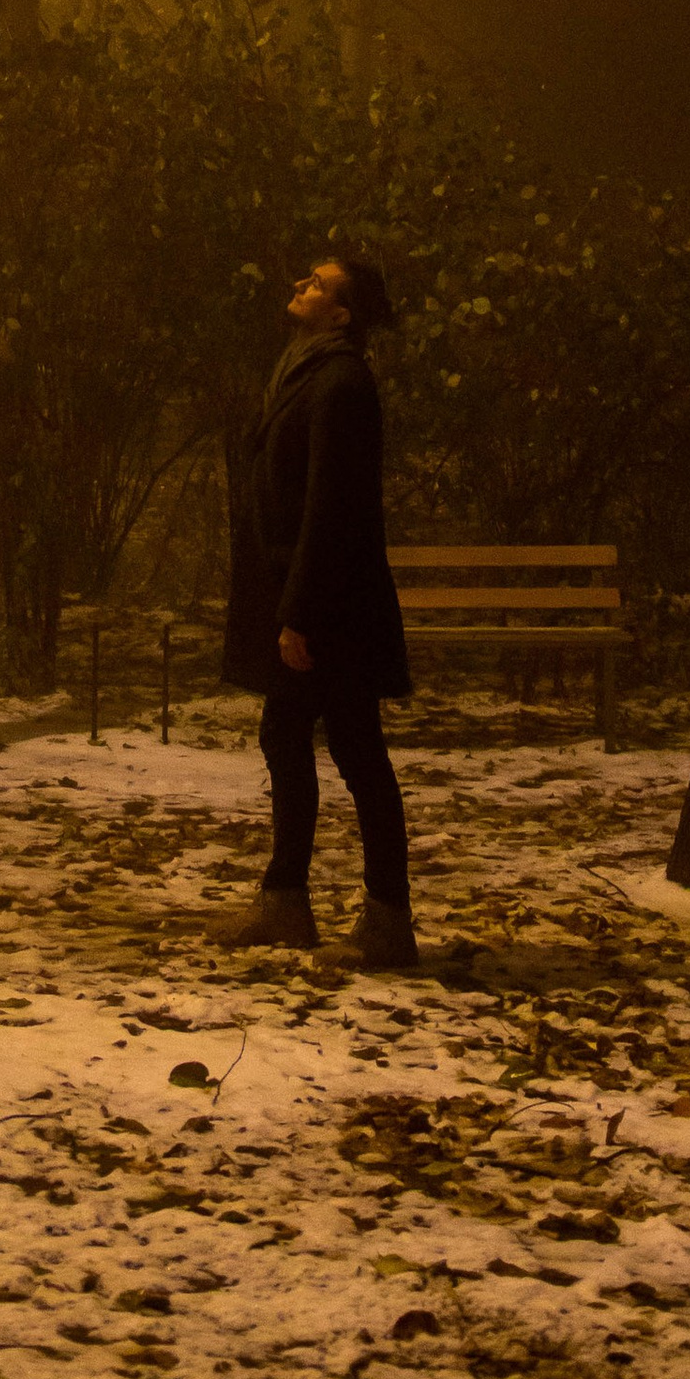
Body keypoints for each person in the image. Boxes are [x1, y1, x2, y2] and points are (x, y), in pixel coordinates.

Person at [216, 252, 414, 970]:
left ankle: (379, 920)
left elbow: (333, 508)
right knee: (295, 738)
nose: (298, 284)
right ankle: (291, 901)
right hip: (314, 598)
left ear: (342, 314)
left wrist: (298, 613)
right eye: (303, 275)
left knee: (358, 753)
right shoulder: (306, 369)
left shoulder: (343, 383)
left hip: (333, 607)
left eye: (318, 284)